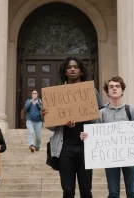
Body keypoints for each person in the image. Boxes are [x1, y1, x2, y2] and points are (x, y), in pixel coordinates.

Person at [80, 76, 134, 198]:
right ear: (107, 91)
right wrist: (87, 136)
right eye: (111, 87)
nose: (114, 89)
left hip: (131, 156)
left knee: (132, 193)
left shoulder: (131, 110)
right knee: (113, 193)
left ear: (122, 90)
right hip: (110, 158)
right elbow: (95, 135)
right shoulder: (101, 113)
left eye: (117, 86)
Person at [41, 57, 103, 198]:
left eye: (76, 67)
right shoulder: (56, 95)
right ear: (65, 72)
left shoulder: (91, 92)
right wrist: (46, 117)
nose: (73, 69)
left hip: (85, 148)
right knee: (68, 191)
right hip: (65, 149)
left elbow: (100, 120)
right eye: (69, 67)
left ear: (81, 71)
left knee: (86, 191)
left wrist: (87, 121)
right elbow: (51, 128)